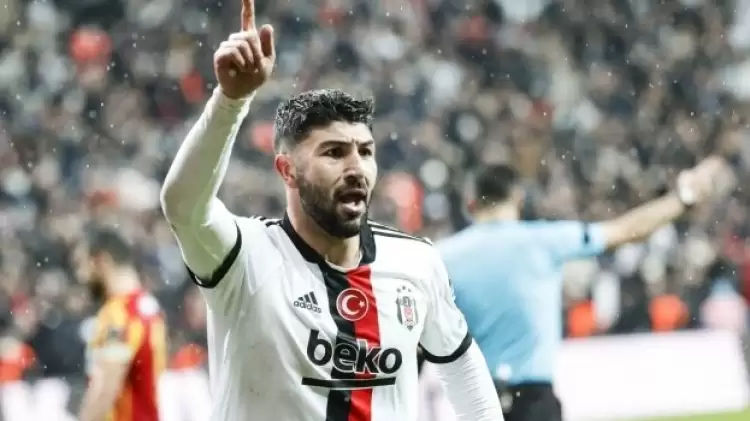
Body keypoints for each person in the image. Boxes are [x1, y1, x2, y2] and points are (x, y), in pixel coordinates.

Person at [159, 0, 504, 420]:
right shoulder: (244, 257)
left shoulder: (416, 262)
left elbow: (462, 368)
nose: (356, 168)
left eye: (365, 151)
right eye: (334, 153)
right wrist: (231, 101)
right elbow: (182, 204)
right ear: (287, 170)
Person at [436, 160, 725, 421]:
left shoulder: (442, 256)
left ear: (471, 204)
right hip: (534, 402)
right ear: (518, 198)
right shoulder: (545, 241)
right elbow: (625, 230)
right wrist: (682, 198)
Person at [76, 229, 167, 421]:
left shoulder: (119, 314)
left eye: (82, 265)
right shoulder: (149, 308)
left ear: (101, 261)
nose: (81, 276)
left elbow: (106, 387)